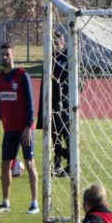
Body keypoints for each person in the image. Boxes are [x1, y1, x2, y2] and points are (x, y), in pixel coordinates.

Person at [0, 42, 39, 214]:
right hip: (9, 130)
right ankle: (5, 202)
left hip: (25, 129)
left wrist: (28, 127)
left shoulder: (22, 75)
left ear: (13, 56)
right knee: (5, 165)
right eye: (2, 54)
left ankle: (34, 203)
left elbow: (31, 105)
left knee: (30, 163)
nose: (4, 57)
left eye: (7, 54)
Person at [38, 28, 71, 177]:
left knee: (67, 135)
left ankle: (71, 165)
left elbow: (78, 81)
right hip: (52, 104)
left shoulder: (69, 58)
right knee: (54, 136)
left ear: (63, 43)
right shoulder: (49, 60)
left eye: (57, 42)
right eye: (52, 43)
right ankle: (57, 164)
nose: (55, 45)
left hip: (66, 106)